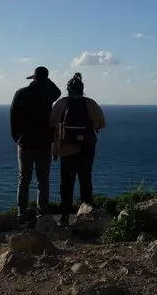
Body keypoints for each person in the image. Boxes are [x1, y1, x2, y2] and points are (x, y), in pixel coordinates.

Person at [50, 73, 105, 227]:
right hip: (87, 147)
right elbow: (101, 123)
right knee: (85, 179)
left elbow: (52, 124)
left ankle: (64, 216)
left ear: (68, 89)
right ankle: (87, 214)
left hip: (67, 148)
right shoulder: (90, 104)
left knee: (66, 182)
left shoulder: (61, 104)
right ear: (82, 89)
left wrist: (54, 149)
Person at [10, 66, 61, 223]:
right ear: (45, 79)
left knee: (23, 179)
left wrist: (16, 137)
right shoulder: (47, 95)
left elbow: (13, 116)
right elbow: (57, 92)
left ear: (33, 78)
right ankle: (42, 213)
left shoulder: (21, 93)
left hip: (25, 142)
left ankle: (21, 213)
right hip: (44, 142)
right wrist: (46, 80)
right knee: (43, 180)